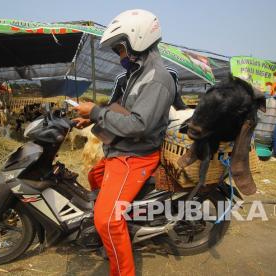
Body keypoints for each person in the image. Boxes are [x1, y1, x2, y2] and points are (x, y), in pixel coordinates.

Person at [73, 9, 175, 276]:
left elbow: (139, 125)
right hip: (121, 149)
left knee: (106, 220)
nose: (119, 56)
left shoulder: (158, 79)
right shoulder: (139, 73)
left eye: (120, 49)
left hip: (136, 156)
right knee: (94, 177)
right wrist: (94, 120)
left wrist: (96, 112)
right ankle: (119, 229)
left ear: (137, 40)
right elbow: (122, 110)